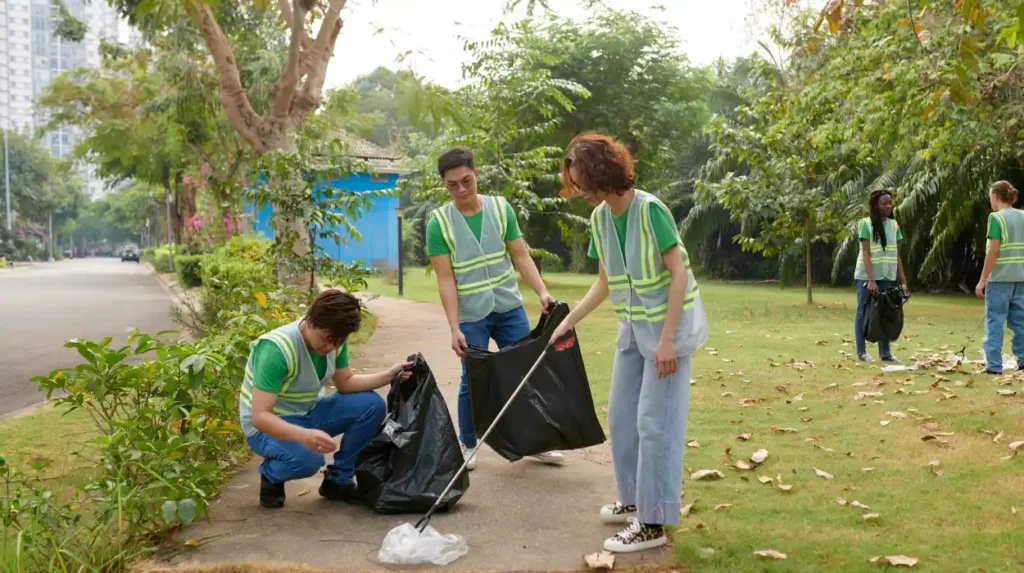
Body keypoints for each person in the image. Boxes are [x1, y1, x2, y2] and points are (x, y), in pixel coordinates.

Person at [549, 133, 708, 553]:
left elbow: (678, 275)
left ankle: (652, 523)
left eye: (583, 180)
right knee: (621, 416)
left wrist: (669, 341)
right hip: (634, 331)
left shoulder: (650, 211)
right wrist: (568, 321)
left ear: (603, 173)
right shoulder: (601, 218)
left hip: (668, 334)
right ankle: (634, 500)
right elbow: (605, 281)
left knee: (654, 424)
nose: (580, 190)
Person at [426, 148, 564, 469]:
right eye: (452, 185)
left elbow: (520, 256)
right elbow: (445, 280)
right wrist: (454, 327)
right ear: (444, 185)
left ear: (477, 173)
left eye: (466, 181)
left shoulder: (501, 209)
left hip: (508, 308)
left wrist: (542, 292)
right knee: (473, 380)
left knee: (524, 373)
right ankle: (467, 443)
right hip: (471, 315)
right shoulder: (439, 223)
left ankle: (535, 442)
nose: (461, 190)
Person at [239, 289, 412, 509]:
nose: (331, 347)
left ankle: (338, 481)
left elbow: (346, 383)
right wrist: (303, 436)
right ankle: (272, 474)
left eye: (339, 342)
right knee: (308, 460)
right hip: (266, 426)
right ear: (310, 321)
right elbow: (260, 416)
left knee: (371, 405)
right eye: (327, 339)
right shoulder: (276, 349)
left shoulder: (335, 340)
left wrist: (389, 375)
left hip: (307, 412)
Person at [853, 189, 908, 362]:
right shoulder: (866, 223)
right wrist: (871, 280)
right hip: (867, 276)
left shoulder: (894, 225)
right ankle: (862, 352)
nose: (888, 206)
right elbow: (866, 253)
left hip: (887, 276)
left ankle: (885, 353)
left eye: (890, 203)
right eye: (884, 203)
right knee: (863, 311)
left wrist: (904, 281)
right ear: (876, 205)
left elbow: (896, 254)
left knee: (885, 313)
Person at [975, 180, 1024, 374]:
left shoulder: (996, 218)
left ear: (995, 196)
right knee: (1021, 323)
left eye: (990, 197)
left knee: (994, 322)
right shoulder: (1022, 216)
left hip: (999, 281)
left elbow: (993, 251)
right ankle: (1023, 361)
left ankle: (994, 365)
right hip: (1020, 280)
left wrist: (982, 280)